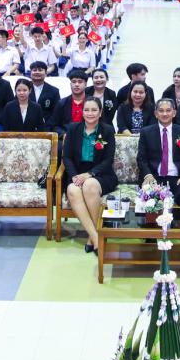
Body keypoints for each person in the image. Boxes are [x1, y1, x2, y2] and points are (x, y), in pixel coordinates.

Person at [62, 97, 118, 253]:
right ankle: (95, 236)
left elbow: (108, 160)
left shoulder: (107, 130)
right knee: (73, 190)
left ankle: (93, 237)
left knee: (89, 185)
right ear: (82, 112)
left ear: (100, 112)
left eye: (94, 110)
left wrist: (90, 174)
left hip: (101, 173)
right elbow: (66, 157)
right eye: (86, 110)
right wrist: (74, 176)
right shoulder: (73, 129)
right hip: (77, 173)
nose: (90, 113)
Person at [136, 98, 180, 227]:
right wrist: (148, 175)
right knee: (150, 196)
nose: (165, 114)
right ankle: (151, 231)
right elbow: (141, 158)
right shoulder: (146, 132)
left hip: (177, 178)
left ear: (174, 113)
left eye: (168, 110)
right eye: (161, 110)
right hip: (154, 177)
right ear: (156, 113)